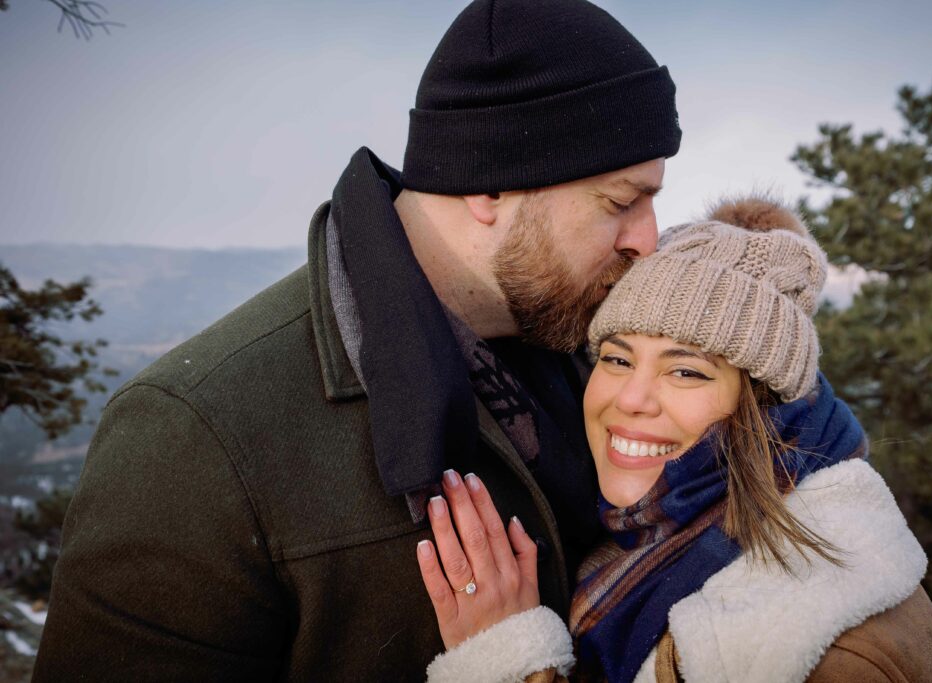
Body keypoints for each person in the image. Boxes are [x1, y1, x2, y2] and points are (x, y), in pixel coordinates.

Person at [33, 1, 682, 680]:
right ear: (491, 183)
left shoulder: (601, 357)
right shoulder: (196, 437)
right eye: (619, 202)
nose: (647, 239)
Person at [416, 197, 932, 682]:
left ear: (762, 406)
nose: (630, 398)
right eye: (616, 358)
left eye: (686, 372)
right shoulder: (651, 542)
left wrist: (505, 666)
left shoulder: (833, 650)